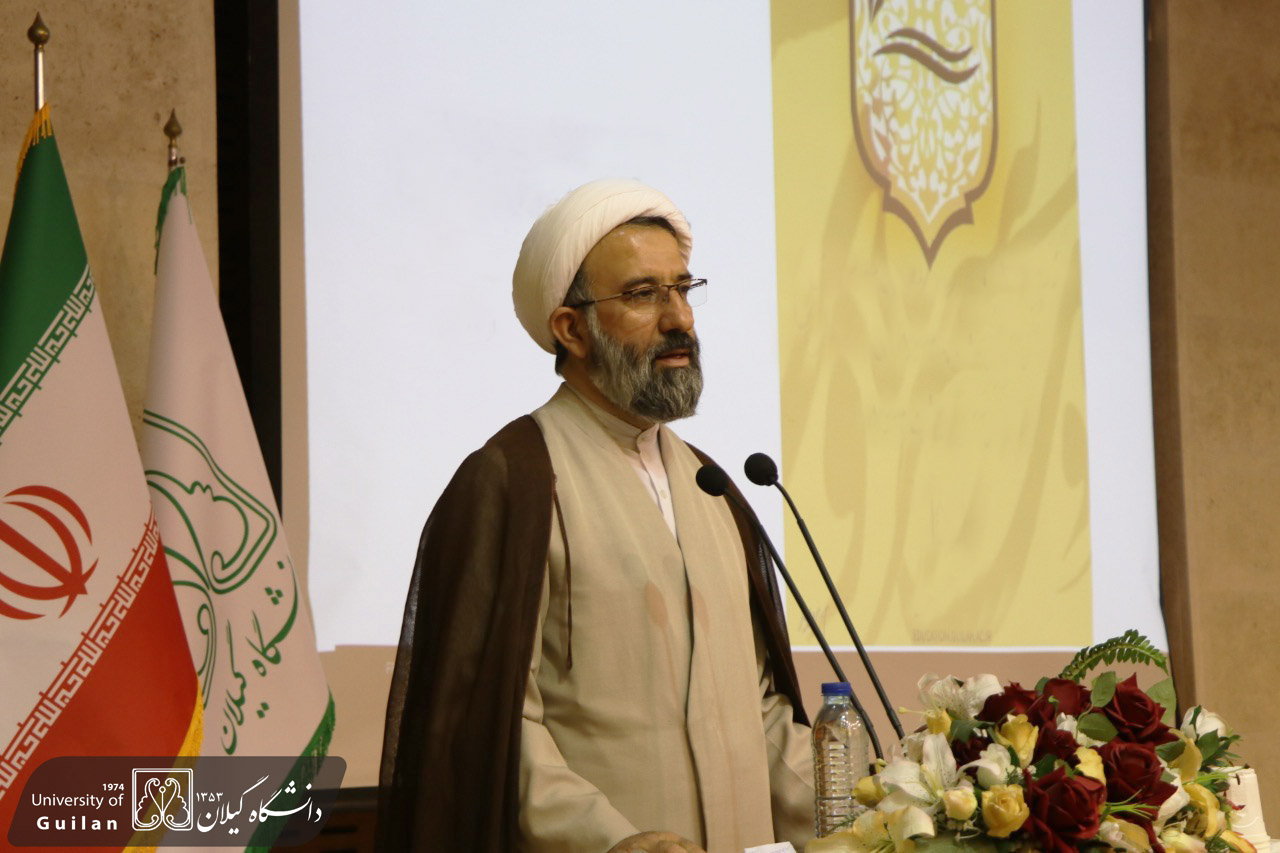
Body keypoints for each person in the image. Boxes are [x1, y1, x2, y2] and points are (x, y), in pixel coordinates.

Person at [378, 179, 815, 853]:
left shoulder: (711, 486)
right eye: (643, 294)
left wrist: (876, 808)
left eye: (683, 288)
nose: (680, 318)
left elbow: (759, 710)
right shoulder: (515, 479)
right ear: (571, 329)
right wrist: (614, 841)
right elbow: (494, 726)